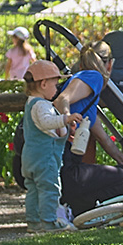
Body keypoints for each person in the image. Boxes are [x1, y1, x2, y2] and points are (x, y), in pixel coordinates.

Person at [19, 60, 81, 230]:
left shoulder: (31, 103)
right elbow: (47, 122)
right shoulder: (41, 105)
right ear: (44, 84)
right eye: (55, 84)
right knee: (49, 189)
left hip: (30, 157)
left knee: (33, 189)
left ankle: (33, 221)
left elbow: (45, 128)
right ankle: (48, 222)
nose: (57, 88)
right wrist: (66, 118)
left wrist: (64, 132)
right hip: (44, 159)